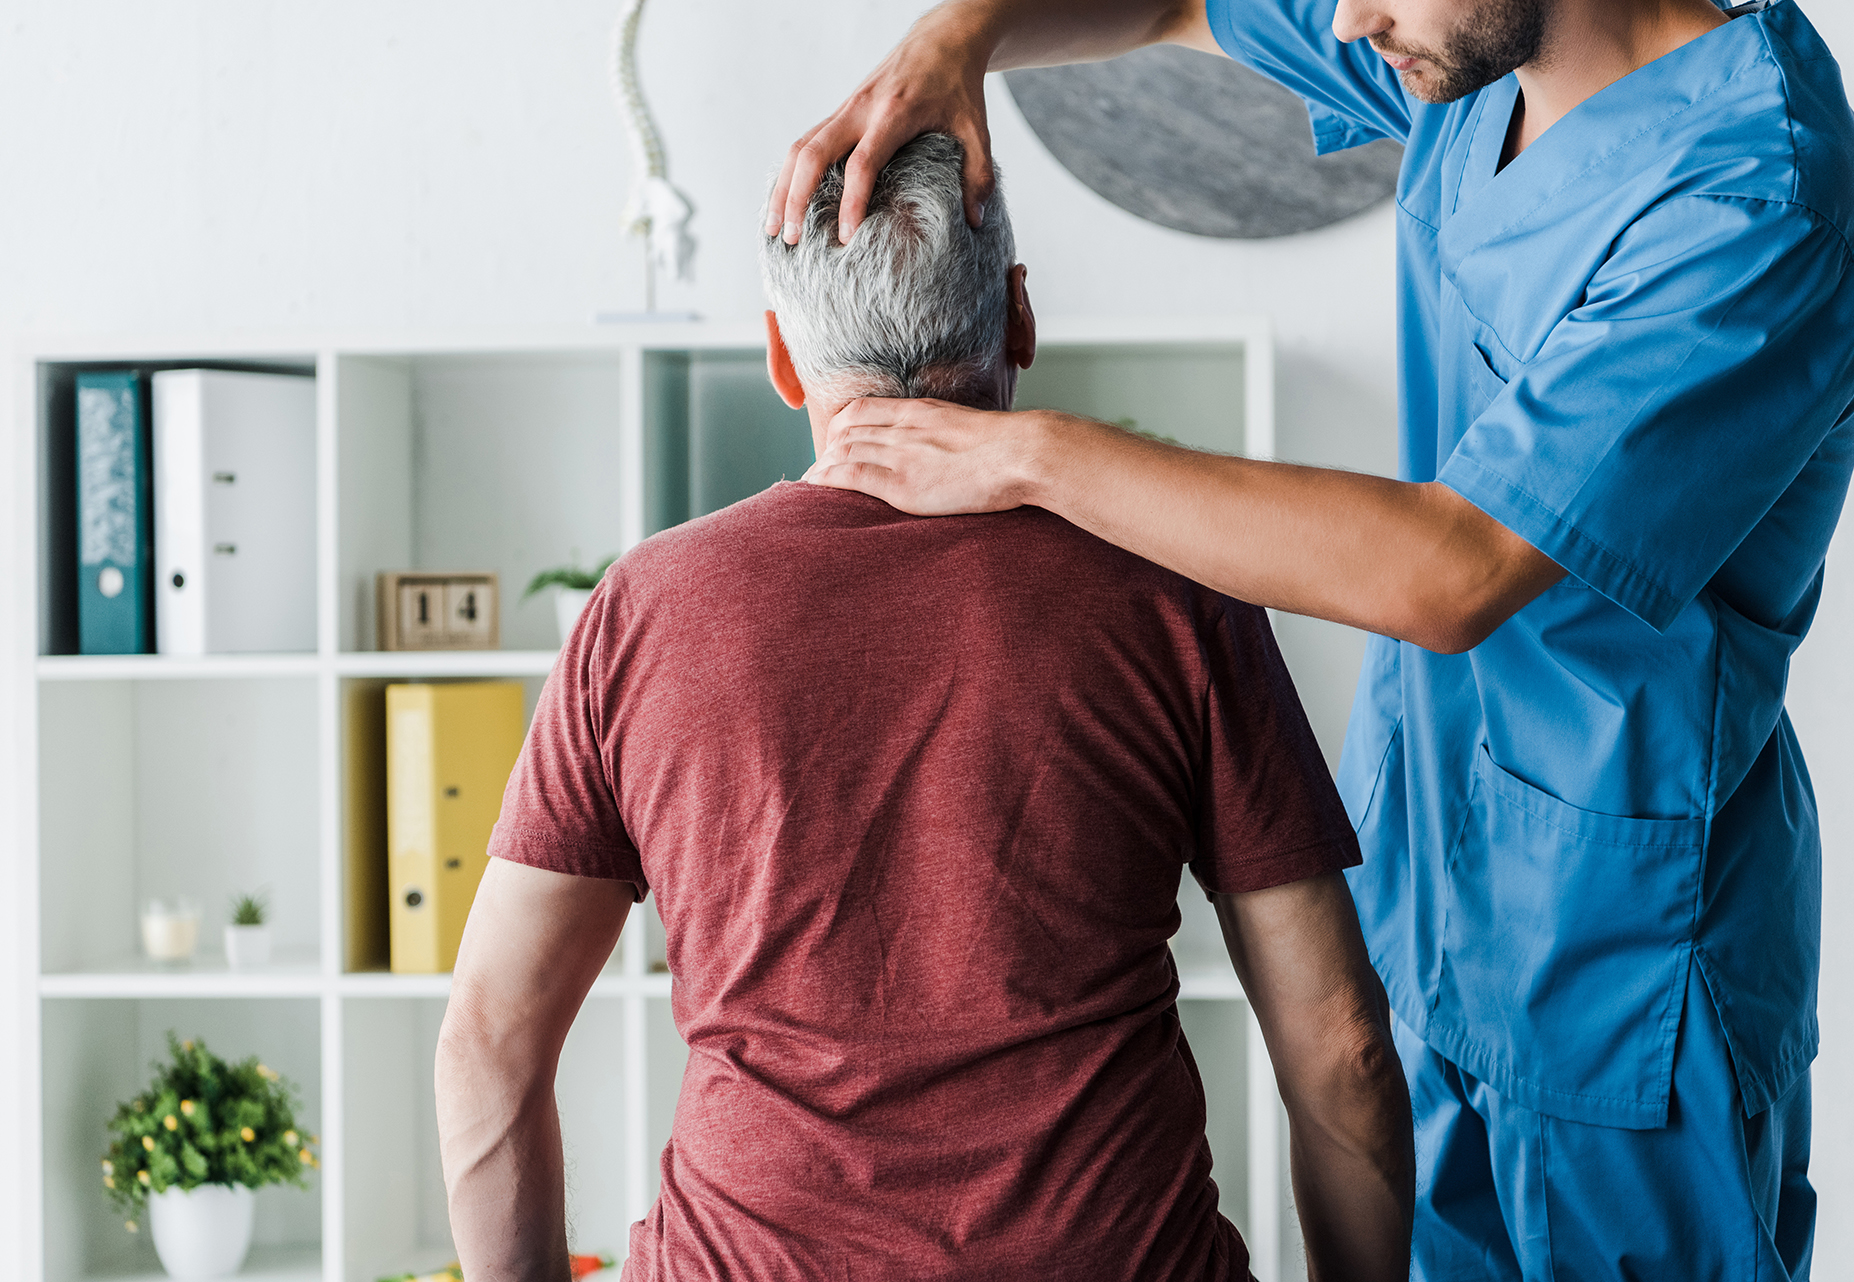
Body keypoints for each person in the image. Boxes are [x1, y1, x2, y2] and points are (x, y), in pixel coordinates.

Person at [778, 0, 1854, 1278]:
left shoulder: (1766, 199)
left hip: (1627, 971)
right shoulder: (1484, 53)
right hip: (1433, 894)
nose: (1350, 14)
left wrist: (1029, 452)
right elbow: (1176, 2)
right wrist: (960, 35)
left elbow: (1457, 567)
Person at [434, 133, 1414, 1282]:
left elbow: (491, 1040)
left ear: (784, 362)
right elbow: (1340, 1045)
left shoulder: (643, 611)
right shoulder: (1174, 587)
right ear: (1018, 320)